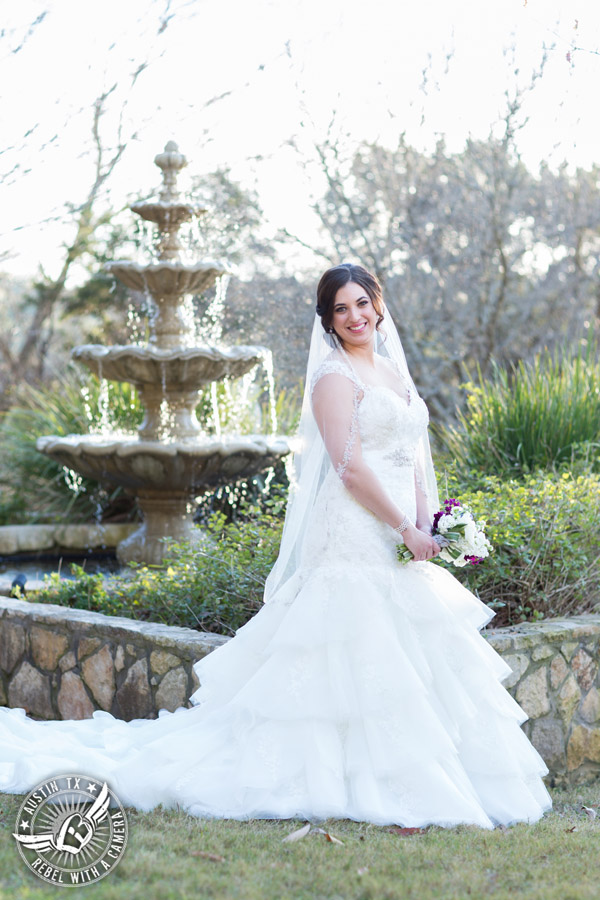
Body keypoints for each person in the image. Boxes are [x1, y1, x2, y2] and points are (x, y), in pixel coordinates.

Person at [0, 264, 552, 829]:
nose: (355, 316)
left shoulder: (391, 370)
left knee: (410, 653)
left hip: (399, 533)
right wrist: (401, 527)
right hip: (354, 531)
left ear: (378, 305)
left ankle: (415, 775)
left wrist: (424, 523)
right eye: (341, 308)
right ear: (328, 321)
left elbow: (408, 454)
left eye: (362, 303)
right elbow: (351, 468)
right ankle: (356, 782)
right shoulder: (334, 379)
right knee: (355, 647)